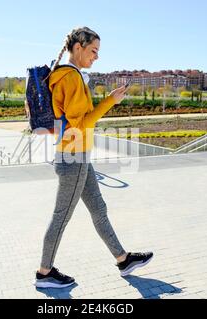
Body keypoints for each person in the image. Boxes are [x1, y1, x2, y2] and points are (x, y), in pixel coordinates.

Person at [35, 27, 153, 289]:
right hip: (73, 157)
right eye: (93, 51)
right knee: (61, 216)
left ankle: (123, 260)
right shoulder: (70, 78)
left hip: (76, 156)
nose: (96, 57)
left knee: (98, 209)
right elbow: (81, 124)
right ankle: (44, 273)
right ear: (78, 47)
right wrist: (110, 101)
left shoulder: (67, 75)